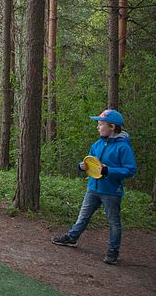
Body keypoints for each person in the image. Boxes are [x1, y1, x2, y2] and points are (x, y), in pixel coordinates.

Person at [52, 109, 137, 265]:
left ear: (112, 127)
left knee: (113, 222)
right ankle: (72, 237)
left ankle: (113, 251)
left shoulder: (123, 147)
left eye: (100, 124)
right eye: (98, 124)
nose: (98, 127)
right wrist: (82, 166)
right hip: (93, 188)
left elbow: (130, 169)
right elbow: (89, 161)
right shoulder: (97, 144)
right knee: (83, 216)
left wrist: (108, 170)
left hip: (111, 191)